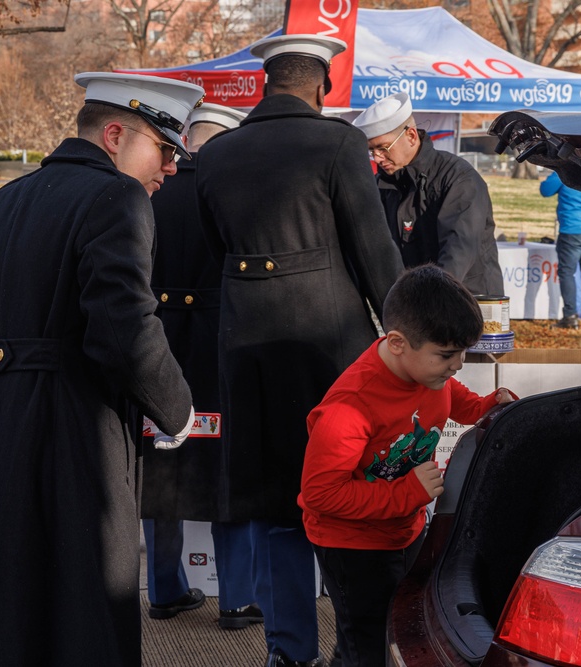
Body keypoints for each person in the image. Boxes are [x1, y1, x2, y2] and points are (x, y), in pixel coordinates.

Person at [0, 72, 204, 667]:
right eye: (164, 148)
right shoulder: (116, 197)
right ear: (115, 134)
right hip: (74, 443)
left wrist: (0, 394)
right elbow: (125, 327)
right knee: (79, 615)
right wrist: (176, 411)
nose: (172, 168)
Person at [196, 34, 404, 667]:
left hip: (247, 347)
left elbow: (214, 251)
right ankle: (358, 648)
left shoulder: (218, 153)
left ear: (263, 84)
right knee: (345, 502)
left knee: (276, 508)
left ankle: (288, 651)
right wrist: (405, 332)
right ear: (324, 88)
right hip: (329, 348)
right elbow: (375, 252)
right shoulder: (339, 142)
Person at [299, 264, 517, 667]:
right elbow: (319, 494)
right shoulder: (349, 408)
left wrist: (487, 407)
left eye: (463, 353)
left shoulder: (430, 374)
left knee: (398, 629)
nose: (457, 366)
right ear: (397, 342)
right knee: (367, 643)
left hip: (405, 528)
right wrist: (407, 493)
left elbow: (454, 395)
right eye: (448, 355)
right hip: (352, 547)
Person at [142, 102, 261, 629]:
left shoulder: (154, 188)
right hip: (220, 343)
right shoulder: (241, 189)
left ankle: (164, 589)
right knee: (226, 471)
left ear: (189, 139)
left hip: (159, 341)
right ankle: (237, 599)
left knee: (161, 467)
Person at [352, 92, 504, 297]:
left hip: (469, 302)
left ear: (411, 136)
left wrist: (422, 307)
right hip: (416, 305)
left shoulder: (458, 178)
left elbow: (457, 253)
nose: (378, 158)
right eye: (371, 151)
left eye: (383, 148)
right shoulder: (381, 186)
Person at [540, 171, 581, 329]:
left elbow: (545, 190)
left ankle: (570, 316)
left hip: (573, 229)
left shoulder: (564, 170)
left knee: (567, 272)